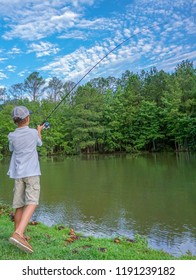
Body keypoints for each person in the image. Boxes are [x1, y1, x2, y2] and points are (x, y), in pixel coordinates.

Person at [7, 105, 44, 253]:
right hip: (32, 172)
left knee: (19, 205)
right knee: (32, 201)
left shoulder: (12, 135)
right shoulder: (34, 133)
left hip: (18, 174)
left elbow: (11, 149)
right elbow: (39, 143)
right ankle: (18, 234)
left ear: (16, 121)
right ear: (27, 118)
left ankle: (18, 235)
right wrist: (39, 131)